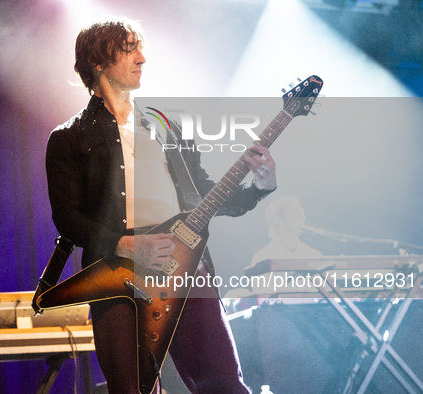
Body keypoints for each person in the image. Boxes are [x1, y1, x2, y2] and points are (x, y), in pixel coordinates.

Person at [45, 17, 277, 394]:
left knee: (222, 383)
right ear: (99, 62)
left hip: (185, 266)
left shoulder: (165, 124)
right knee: (130, 388)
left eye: (141, 48)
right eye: (129, 49)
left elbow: (204, 192)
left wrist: (259, 187)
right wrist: (124, 244)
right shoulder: (68, 138)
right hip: (115, 274)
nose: (141, 58)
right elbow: (67, 218)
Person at [251, 195, 322, 265]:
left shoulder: (314, 255)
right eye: (295, 214)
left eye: (301, 214)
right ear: (278, 220)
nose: (301, 218)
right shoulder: (262, 258)